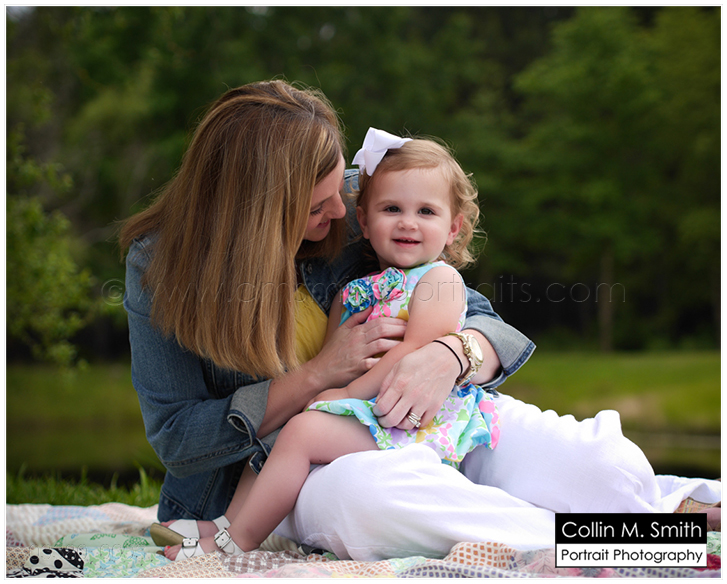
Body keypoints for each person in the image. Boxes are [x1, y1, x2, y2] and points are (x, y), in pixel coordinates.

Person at [121, 80, 720, 563]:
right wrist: (317, 377)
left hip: (431, 411)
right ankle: (600, 537)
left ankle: (653, 506)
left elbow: (476, 315)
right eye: (317, 206)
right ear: (258, 211)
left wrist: (449, 355)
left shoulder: (366, 201)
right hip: (290, 470)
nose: (341, 211)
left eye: (342, 192)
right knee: (373, 500)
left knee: (602, 468)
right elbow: (178, 437)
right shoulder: (161, 265)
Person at [162, 129, 503, 560]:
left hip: (410, 416)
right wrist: (331, 392)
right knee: (279, 429)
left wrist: (344, 393)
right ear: (364, 222)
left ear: (453, 228)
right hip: (366, 412)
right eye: (392, 209)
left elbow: (414, 351)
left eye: (426, 211)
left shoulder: (439, 280)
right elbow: (332, 357)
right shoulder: (353, 292)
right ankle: (226, 523)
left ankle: (238, 542)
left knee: (301, 431)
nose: (407, 222)